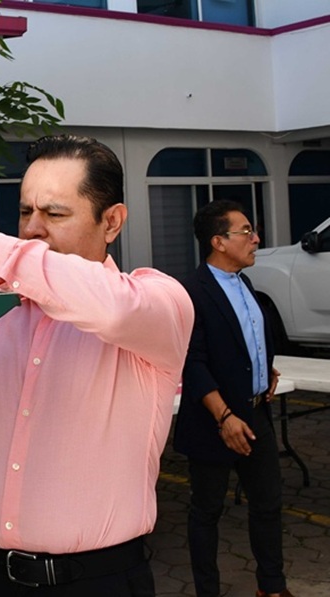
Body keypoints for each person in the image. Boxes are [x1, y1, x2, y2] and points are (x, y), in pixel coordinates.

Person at [0, 134, 194, 596]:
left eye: (55, 213)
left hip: (95, 583)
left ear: (113, 222)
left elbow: (111, 309)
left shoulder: (156, 303)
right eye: (25, 212)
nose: (32, 230)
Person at [173, 200, 291, 597]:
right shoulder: (192, 291)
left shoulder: (245, 282)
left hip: (255, 414)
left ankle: (271, 588)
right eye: (246, 232)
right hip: (215, 421)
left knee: (268, 504)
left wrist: (263, 370)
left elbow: (243, 340)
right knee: (206, 512)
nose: (256, 239)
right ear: (218, 242)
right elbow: (192, 360)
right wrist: (224, 416)